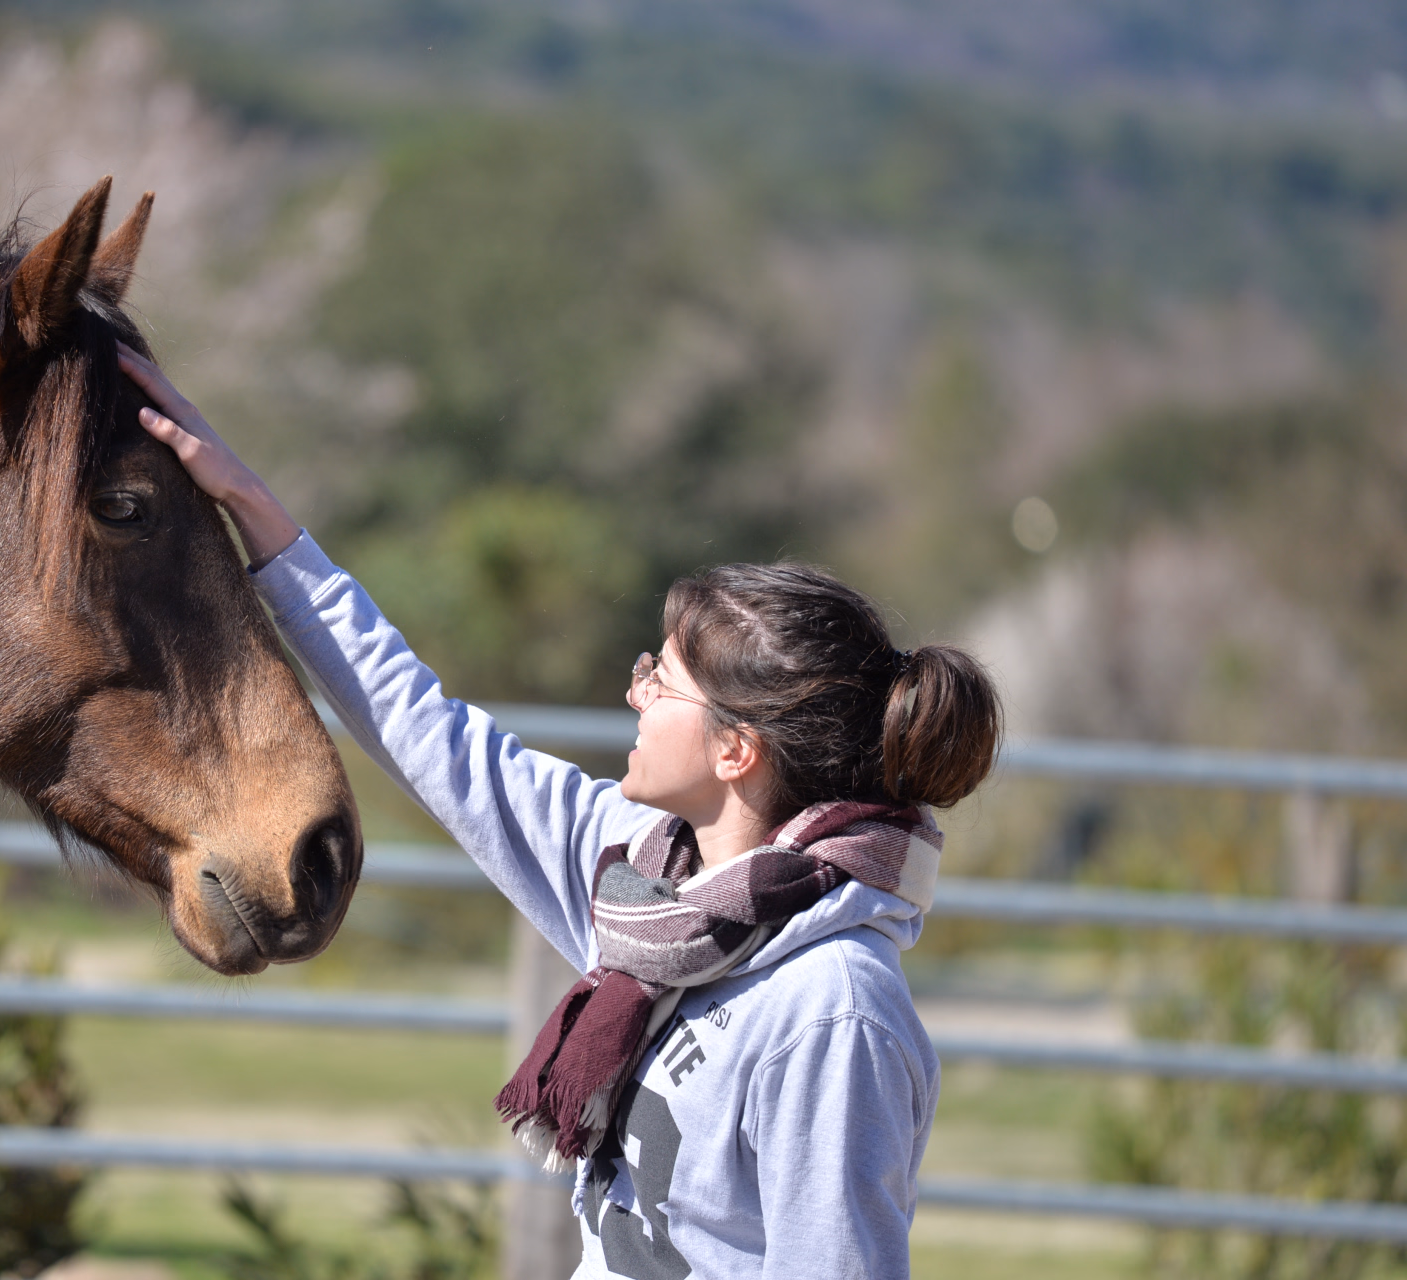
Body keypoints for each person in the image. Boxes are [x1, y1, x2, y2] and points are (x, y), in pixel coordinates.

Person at [117, 342, 1002, 1280]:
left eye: (661, 679)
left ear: (735, 750)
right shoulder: (640, 882)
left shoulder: (833, 1013)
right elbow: (427, 730)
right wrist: (249, 506)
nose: (634, 692)